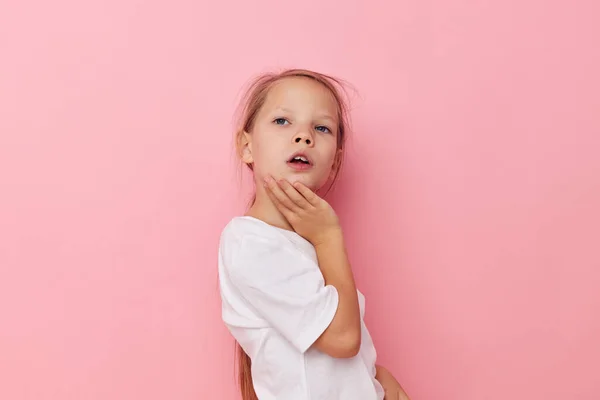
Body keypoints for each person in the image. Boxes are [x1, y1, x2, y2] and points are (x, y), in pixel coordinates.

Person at [218, 69, 410, 400]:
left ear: (333, 164)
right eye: (282, 121)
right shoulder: (250, 242)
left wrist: (376, 378)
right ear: (246, 147)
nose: (304, 135)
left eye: (321, 128)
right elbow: (341, 339)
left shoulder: (300, 247)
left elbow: (326, 364)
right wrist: (328, 237)